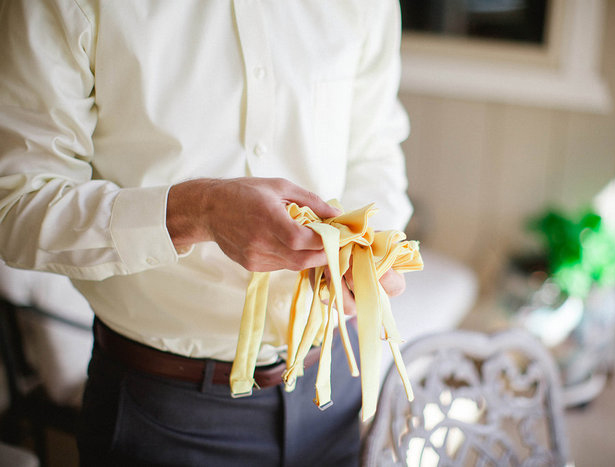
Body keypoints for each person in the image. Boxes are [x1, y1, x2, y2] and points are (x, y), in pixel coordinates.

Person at [0, 0, 413, 465]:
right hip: (167, 413)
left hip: (336, 384)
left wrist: (371, 254)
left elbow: (372, 151)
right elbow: (17, 205)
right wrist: (199, 211)